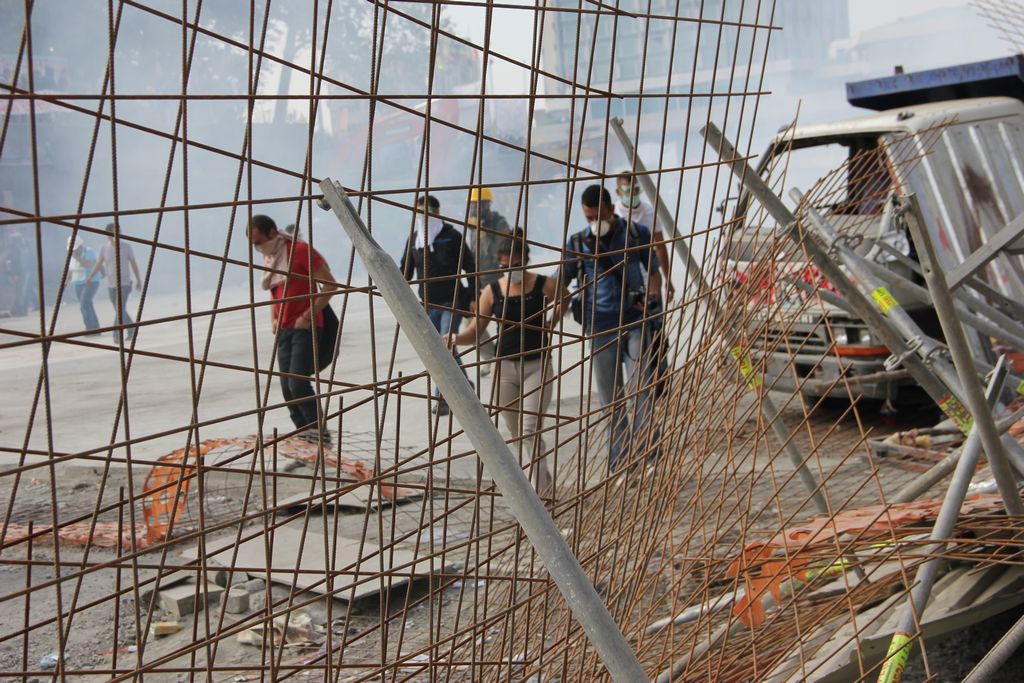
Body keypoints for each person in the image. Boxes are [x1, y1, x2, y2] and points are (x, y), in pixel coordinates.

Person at [448, 231, 568, 495]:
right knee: (517, 435)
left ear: (525, 260)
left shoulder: (543, 284)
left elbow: (565, 298)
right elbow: (475, 332)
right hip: (504, 369)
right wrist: (454, 338)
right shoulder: (492, 292)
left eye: (515, 264)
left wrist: (551, 322)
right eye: (505, 266)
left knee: (529, 430)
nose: (510, 270)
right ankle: (543, 482)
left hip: (538, 365)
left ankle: (539, 499)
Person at [557, 184, 663, 470]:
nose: (594, 222)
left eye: (597, 216)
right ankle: (620, 461)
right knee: (610, 400)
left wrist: (652, 298)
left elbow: (654, 273)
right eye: (588, 218)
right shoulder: (577, 243)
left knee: (642, 390)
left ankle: (648, 454)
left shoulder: (635, 234)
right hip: (600, 328)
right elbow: (559, 284)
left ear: (609, 207)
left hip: (635, 323)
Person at [248, 214, 338, 444]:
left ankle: (320, 436)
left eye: (258, 242)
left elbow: (330, 285)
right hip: (284, 329)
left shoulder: (299, 251)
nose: (258, 249)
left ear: (271, 233)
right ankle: (304, 436)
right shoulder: (272, 257)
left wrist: (308, 315)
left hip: (305, 326)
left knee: (298, 381)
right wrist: (274, 319)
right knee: (287, 389)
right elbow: (274, 292)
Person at [400, 194, 477, 416]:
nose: (423, 217)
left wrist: (473, 296)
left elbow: (470, 266)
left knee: (446, 345)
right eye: (418, 212)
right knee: (437, 351)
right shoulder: (415, 239)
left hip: (451, 300)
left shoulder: (451, 236)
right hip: (428, 303)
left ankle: (445, 398)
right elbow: (405, 270)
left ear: (436, 212)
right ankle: (464, 390)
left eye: (427, 212)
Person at [467, 187, 512, 374]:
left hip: (498, 280)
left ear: (487, 204)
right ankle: (490, 357)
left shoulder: (499, 223)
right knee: (472, 322)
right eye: (473, 204)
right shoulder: (472, 226)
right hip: (480, 282)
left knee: (506, 322)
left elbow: (506, 250)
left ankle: (507, 358)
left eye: (478, 204)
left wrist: (486, 234)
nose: (475, 208)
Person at [614, 170, 675, 301]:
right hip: (624, 276)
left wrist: (667, 278)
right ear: (618, 192)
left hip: (650, 274)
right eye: (627, 191)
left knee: (654, 315)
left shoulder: (649, 212)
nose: (632, 194)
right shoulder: (614, 214)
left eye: (635, 189)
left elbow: (660, 247)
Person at [87, 223, 142, 341]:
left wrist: (138, 279)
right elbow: (99, 263)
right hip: (111, 284)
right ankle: (132, 329)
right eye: (113, 231)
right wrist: (91, 276)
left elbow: (133, 263)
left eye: (119, 230)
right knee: (119, 310)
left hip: (125, 284)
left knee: (119, 308)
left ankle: (116, 335)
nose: (117, 233)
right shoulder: (104, 248)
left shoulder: (126, 246)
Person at [66, 235, 100, 333]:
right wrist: (66, 281)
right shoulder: (71, 256)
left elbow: (88, 264)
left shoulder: (89, 252)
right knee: (87, 304)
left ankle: (90, 328)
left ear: (80, 246)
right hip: (78, 283)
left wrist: (76, 257)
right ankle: (95, 327)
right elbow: (70, 270)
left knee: (84, 303)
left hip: (90, 282)